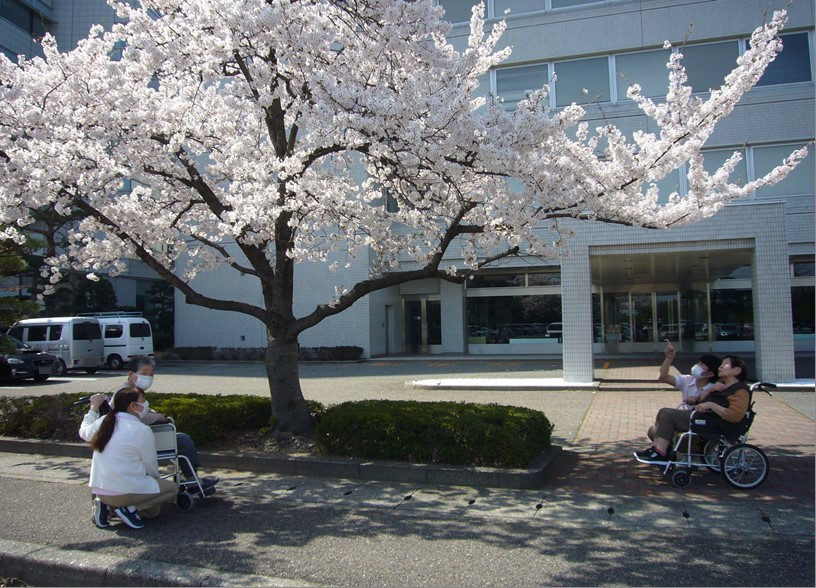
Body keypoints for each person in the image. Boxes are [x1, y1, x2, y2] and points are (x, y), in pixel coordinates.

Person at [92, 356, 216, 485]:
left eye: (151, 374)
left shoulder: (128, 391)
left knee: (180, 439)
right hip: (137, 439)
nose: (148, 377)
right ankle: (192, 481)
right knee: (183, 441)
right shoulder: (126, 394)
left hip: (132, 438)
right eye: (144, 373)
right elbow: (137, 417)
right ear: (131, 374)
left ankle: (191, 480)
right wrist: (158, 417)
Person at [79, 387, 178, 529]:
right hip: (124, 493)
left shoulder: (104, 421)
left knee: (153, 510)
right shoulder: (141, 430)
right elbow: (150, 464)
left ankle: (105, 507)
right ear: (133, 406)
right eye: (143, 401)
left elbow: (84, 432)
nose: (146, 404)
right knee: (172, 489)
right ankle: (129, 509)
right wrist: (154, 482)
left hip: (99, 490)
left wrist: (93, 407)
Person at [636, 355, 751, 463]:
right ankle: (661, 451)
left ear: (737, 370)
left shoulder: (740, 391)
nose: (721, 366)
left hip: (711, 424)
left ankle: (660, 453)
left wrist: (711, 405)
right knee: (658, 423)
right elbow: (701, 399)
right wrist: (703, 399)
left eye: (725, 364)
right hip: (704, 419)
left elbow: (735, 415)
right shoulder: (722, 387)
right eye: (721, 364)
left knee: (666, 413)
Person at [657, 340, 721, 411]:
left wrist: (697, 400)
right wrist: (669, 358)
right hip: (686, 417)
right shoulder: (687, 379)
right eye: (698, 363)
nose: (697, 366)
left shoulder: (715, 388)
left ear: (710, 374)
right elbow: (663, 377)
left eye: (702, 365)